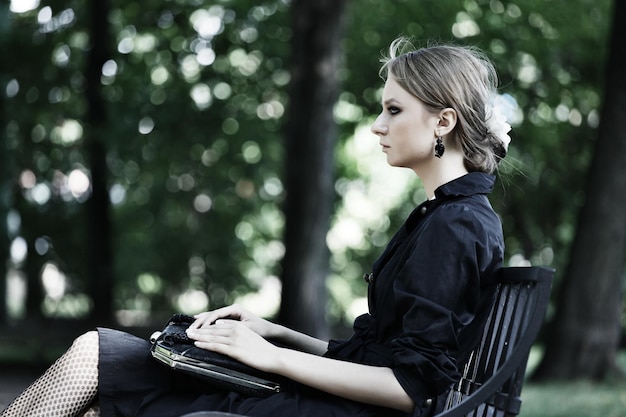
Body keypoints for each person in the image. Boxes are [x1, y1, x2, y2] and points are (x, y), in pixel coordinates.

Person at [1, 37, 510, 417]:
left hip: (339, 410)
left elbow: (410, 388)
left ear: (442, 123)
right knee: (102, 370)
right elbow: (378, 354)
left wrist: (273, 358)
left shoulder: (457, 225)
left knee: (97, 361)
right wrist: (273, 333)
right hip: (325, 399)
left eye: (393, 110)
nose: (378, 125)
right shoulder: (445, 216)